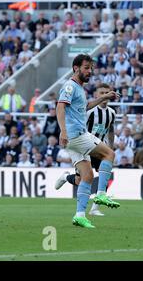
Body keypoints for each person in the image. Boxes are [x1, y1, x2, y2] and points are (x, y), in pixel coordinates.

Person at [56, 54, 119, 228]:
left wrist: (103, 97)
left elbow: (83, 108)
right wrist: (63, 131)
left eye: (91, 68)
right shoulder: (70, 86)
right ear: (76, 68)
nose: (89, 71)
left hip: (73, 138)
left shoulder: (79, 88)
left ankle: (80, 215)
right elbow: (60, 107)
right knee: (109, 153)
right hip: (76, 135)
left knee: (87, 175)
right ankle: (101, 194)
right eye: (86, 67)